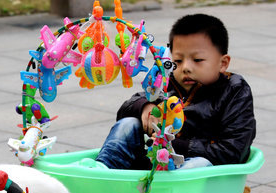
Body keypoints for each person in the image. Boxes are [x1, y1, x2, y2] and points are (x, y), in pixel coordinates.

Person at [95, 14, 256, 170]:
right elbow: (127, 108)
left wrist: (175, 145)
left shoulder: (234, 91)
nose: (185, 67)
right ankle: (101, 171)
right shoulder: (167, 83)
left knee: (200, 164)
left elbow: (233, 151)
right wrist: (144, 107)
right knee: (127, 124)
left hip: (202, 172)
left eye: (198, 60)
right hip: (153, 165)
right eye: (178, 61)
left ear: (223, 63)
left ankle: (173, 189)